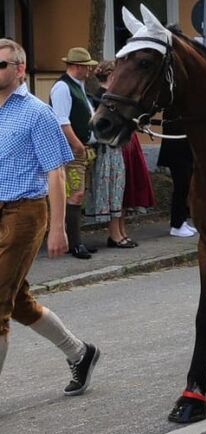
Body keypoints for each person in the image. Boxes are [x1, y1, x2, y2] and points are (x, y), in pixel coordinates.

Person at [0, 38, 100, 395]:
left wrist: (58, 229)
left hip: (25, 211)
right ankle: (80, 353)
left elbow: (56, 173)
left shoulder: (36, 113)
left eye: (1, 65)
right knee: (18, 301)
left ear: (20, 69)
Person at [50, 47, 99, 259]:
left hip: (81, 148)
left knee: (78, 194)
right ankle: (74, 243)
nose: (89, 71)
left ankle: (75, 240)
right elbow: (62, 121)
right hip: (72, 150)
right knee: (74, 194)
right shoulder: (63, 87)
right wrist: (78, 146)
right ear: (77, 66)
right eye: (87, 67)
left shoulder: (77, 86)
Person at [86, 60, 135, 248]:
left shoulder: (109, 96)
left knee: (118, 192)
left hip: (116, 148)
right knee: (112, 193)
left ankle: (120, 231)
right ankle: (114, 234)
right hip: (106, 149)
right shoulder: (101, 97)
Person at [158, 107, 197, 237]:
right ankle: (176, 224)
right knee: (181, 186)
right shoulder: (173, 110)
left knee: (185, 187)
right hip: (176, 151)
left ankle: (183, 220)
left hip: (184, 150)